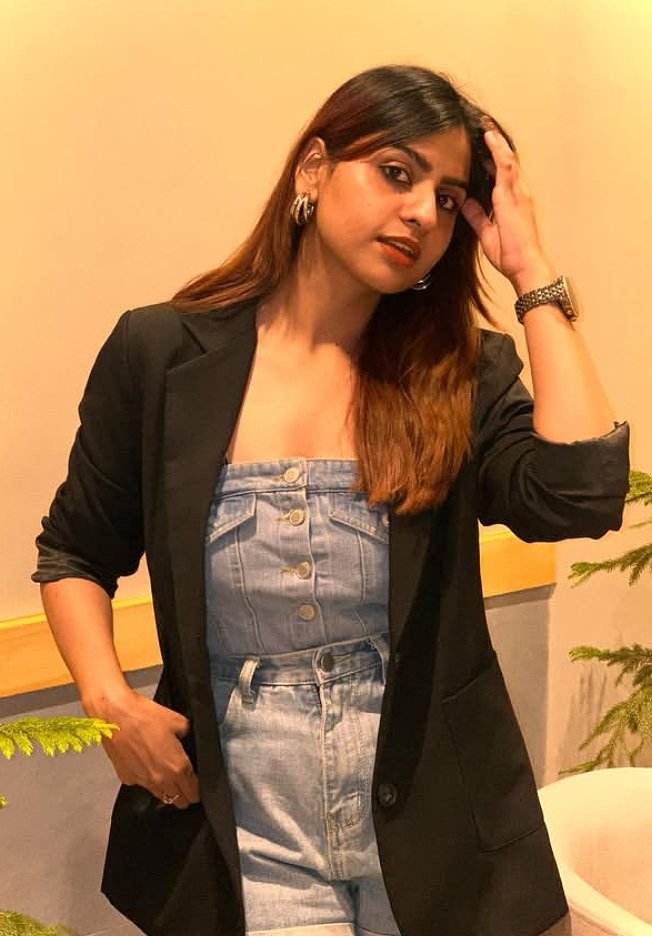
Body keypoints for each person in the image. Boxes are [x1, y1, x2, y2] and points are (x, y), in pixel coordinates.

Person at [33, 64, 629, 936]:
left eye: (446, 196)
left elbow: (579, 495)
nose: (421, 212)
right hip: (252, 828)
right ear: (314, 167)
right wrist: (109, 702)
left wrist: (531, 269)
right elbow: (75, 551)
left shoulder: (457, 374)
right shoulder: (161, 354)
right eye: (396, 172)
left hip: (435, 828)